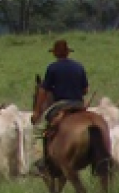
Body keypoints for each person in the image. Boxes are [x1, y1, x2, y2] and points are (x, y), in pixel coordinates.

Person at [34, 39, 89, 174]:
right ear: (68, 53)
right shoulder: (79, 67)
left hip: (60, 105)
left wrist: (37, 112)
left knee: (43, 129)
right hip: (79, 105)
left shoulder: (52, 68)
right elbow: (85, 90)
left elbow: (43, 91)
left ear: (55, 54)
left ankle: (43, 160)